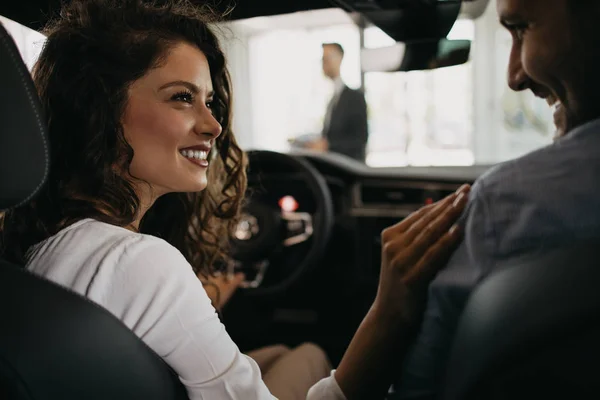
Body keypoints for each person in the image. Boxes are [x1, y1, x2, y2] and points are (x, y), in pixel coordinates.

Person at [0, 0, 469, 398]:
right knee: (309, 353)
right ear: (99, 108)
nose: (213, 125)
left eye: (209, 101)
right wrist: (391, 312)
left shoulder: (45, 250)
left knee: (279, 355)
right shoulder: (139, 263)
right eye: (182, 98)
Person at [393, 0, 600, 398]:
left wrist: (390, 314)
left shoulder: (504, 205)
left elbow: (421, 390)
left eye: (521, 28)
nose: (514, 75)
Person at [309, 42, 369, 163]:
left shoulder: (355, 97)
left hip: (349, 169)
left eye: (326, 58)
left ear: (339, 58)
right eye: (322, 59)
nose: (323, 63)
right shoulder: (332, 100)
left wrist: (328, 146)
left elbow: (360, 140)